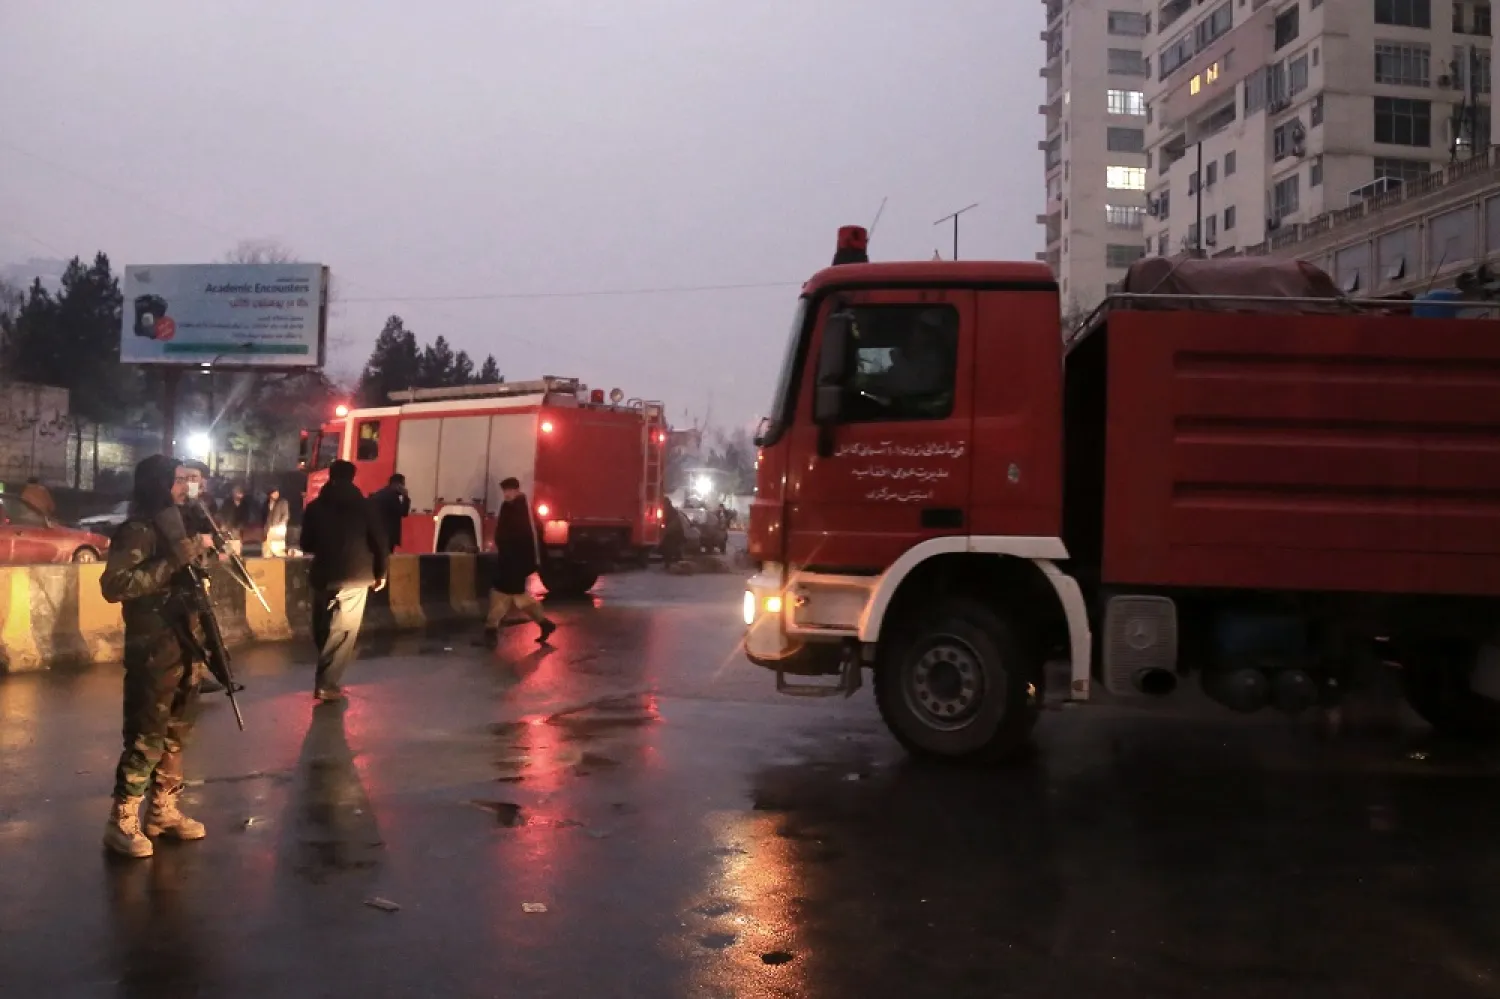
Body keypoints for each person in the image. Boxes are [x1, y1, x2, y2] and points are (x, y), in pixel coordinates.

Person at [98, 455, 213, 858]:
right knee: (146, 731)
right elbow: (115, 585)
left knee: (177, 730)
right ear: (157, 484)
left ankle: (163, 809)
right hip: (153, 645)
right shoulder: (138, 530)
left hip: (186, 641)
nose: (185, 487)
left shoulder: (179, 524)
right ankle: (122, 819)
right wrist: (174, 560)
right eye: (178, 480)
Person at [298, 460, 388, 702]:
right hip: (355, 576)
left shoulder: (315, 507)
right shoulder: (365, 507)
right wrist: (381, 573)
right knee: (343, 631)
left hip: (323, 575)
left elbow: (306, 544)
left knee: (323, 627)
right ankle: (327, 684)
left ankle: (326, 671)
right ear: (352, 477)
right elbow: (380, 542)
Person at [483, 477, 556, 645]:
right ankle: (544, 624)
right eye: (505, 491)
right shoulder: (507, 506)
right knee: (518, 597)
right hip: (507, 559)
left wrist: (531, 561)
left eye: (509, 490)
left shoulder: (523, 508)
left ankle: (490, 630)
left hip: (516, 561)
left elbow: (531, 535)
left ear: (516, 490)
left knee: (501, 594)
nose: (506, 494)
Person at [369, 474, 410, 553]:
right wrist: (406, 497)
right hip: (388, 535)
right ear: (398, 485)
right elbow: (403, 512)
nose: (404, 487)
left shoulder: (380, 493)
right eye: (403, 484)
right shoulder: (392, 496)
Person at [263, 486, 291, 558]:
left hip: (279, 528)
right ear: (270, 494)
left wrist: (280, 525)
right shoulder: (266, 503)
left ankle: (280, 561)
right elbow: (264, 516)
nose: (276, 494)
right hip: (268, 528)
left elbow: (286, 515)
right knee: (267, 549)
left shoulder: (283, 502)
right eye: (274, 493)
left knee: (278, 549)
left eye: (277, 492)